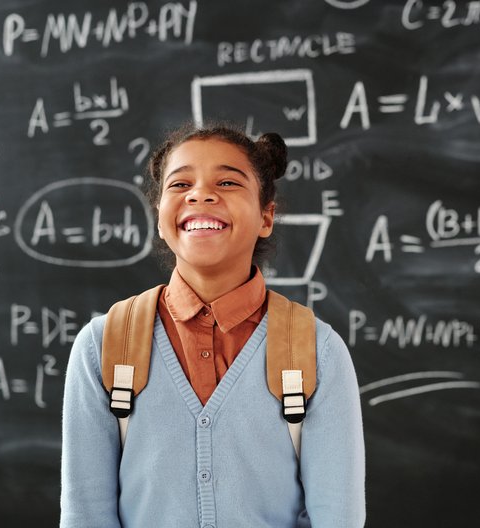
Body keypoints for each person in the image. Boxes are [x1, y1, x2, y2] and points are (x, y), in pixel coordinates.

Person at [60, 123, 366, 527]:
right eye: (180, 183)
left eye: (227, 182)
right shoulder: (104, 345)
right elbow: (86, 516)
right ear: (159, 216)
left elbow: (337, 518)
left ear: (266, 217)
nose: (201, 194)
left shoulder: (315, 350)